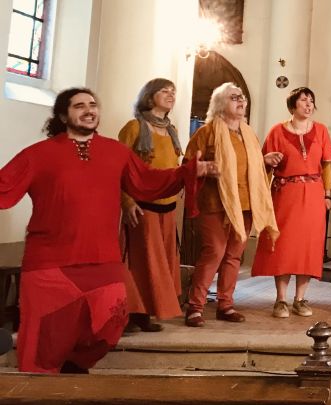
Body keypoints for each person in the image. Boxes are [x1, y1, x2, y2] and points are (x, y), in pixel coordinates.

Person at [0, 88, 215, 373]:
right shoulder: (38, 154)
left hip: (102, 256)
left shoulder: (116, 151)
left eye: (92, 104)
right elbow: (4, 185)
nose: (89, 110)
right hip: (50, 260)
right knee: (45, 331)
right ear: (63, 116)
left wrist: (187, 172)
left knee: (112, 321)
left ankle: (74, 364)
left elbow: (147, 181)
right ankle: (39, 383)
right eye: (79, 106)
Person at [183, 82, 279, 327]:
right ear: (219, 104)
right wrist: (204, 169)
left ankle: (225, 304)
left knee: (234, 255)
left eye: (242, 97)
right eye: (234, 97)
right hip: (214, 204)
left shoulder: (248, 134)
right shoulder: (206, 132)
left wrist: (265, 162)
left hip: (245, 203)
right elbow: (187, 167)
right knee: (214, 252)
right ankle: (195, 306)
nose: (240, 101)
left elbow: (251, 167)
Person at [251, 87, 331, 318]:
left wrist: (327, 195)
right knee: (284, 245)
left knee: (308, 245)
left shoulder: (321, 130)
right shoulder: (277, 131)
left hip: (313, 194)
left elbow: (327, 164)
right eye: (303, 100)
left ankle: (300, 299)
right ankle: (281, 299)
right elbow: (263, 165)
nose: (308, 105)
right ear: (292, 105)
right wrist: (267, 162)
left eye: (311, 101)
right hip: (285, 193)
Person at [117, 78, 185, 333]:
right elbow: (119, 168)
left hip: (167, 206)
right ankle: (131, 312)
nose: (171, 95)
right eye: (164, 91)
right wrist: (127, 202)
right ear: (149, 96)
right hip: (142, 206)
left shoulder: (172, 130)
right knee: (142, 261)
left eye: (173, 92)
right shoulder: (134, 127)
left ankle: (147, 310)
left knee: (161, 262)